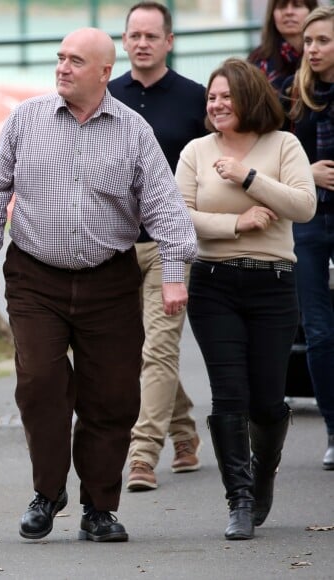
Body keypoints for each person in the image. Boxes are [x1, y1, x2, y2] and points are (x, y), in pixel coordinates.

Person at [0, 27, 197, 543]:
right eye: (59, 58)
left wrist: (173, 275)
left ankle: (99, 507)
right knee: (40, 384)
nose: (62, 67)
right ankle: (47, 493)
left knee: (112, 397)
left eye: (75, 61)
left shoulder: (134, 131)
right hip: (35, 276)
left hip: (109, 281)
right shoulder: (25, 119)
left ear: (103, 72)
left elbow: (166, 208)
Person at [176, 58, 316, 540]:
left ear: (249, 97)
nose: (215, 104)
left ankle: (263, 473)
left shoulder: (284, 145)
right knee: (228, 393)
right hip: (213, 284)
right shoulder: (195, 151)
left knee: (267, 398)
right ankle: (238, 500)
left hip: (273, 285)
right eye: (211, 97)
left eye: (225, 97)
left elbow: (303, 204)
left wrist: (249, 177)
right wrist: (237, 222)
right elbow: (181, 215)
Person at [108, 1, 206, 492]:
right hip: (115, 250)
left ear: (169, 41)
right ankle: (185, 430)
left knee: (160, 349)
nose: (142, 43)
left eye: (152, 35)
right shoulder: (105, 96)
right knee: (137, 352)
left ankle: (142, 454)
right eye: (134, 35)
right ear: (123, 41)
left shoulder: (195, 100)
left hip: (171, 248)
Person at [283, 6, 334, 470]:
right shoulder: (293, 94)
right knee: (317, 330)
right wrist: (307, 172)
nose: (313, 48)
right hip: (310, 221)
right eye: (310, 41)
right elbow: (274, 151)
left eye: (324, 40)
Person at [248, 0, 318, 92]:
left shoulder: (324, 55)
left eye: (297, 6)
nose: (289, 12)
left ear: (312, 11)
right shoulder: (258, 62)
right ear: (272, 14)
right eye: (281, 6)